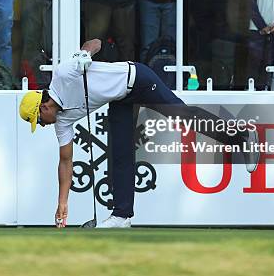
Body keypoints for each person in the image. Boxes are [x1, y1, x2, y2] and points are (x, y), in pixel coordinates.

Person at [18, 38, 260, 228]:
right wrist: (62, 203)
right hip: (120, 99)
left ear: (44, 106)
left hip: (138, 79)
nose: (42, 126)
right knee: (120, 152)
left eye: (39, 121)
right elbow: (66, 160)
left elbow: (96, 43)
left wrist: (84, 54)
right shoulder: (61, 121)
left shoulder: (64, 74)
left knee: (183, 116)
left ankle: (241, 136)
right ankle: (122, 215)